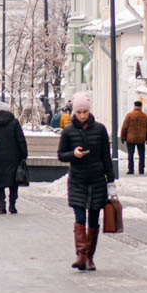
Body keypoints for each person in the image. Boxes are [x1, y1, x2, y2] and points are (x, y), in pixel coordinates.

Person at [56, 92, 112, 271]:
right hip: (78, 180)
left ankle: (90, 257)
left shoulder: (100, 130)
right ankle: (81, 255)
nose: (81, 115)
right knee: (79, 217)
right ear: (74, 112)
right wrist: (74, 154)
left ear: (89, 111)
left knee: (94, 219)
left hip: (97, 180)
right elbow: (61, 155)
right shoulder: (68, 131)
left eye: (84, 112)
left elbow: (106, 157)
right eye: (79, 112)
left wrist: (111, 182)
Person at [0, 102, 29, 215]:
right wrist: (24, 154)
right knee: (13, 181)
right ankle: (12, 205)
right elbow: (21, 139)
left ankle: (2, 206)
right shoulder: (14, 122)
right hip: (13, 156)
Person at [121, 100, 147, 175]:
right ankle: (141, 169)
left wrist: (123, 136)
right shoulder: (145, 116)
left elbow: (124, 127)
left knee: (130, 154)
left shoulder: (129, 115)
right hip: (141, 139)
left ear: (134, 106)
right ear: (141, 107)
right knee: (141, 155)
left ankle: (130, 169)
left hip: (130, 138)